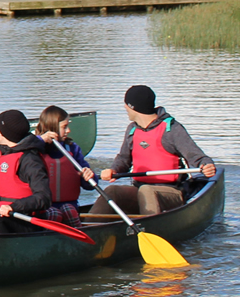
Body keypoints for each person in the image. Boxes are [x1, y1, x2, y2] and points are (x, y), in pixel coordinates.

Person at [92, 85, 218, 216]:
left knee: (147, 191)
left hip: (172, 192)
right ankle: (88, 230)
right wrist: (114, 170)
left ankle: (149, 227)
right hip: (141, 190)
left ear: (133, 107)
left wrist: (206, 165)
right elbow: (124, 159)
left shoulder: (172, 129)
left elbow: (198, 157)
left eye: (126, 105)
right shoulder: (132, 129)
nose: (125, 108)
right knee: (112, 191)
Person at [34, 105, 98, 226]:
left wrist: (90, 176)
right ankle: (48, 240)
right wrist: (40, 140)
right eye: (64, 127)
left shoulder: (72, 149)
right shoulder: (35, 149)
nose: (68, 130)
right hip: (44, 207)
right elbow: (20, 149)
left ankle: (77, 239)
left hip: (69, 205)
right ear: (52, 128)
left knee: (69, 211)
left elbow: (89, 186)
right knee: (54, 214)